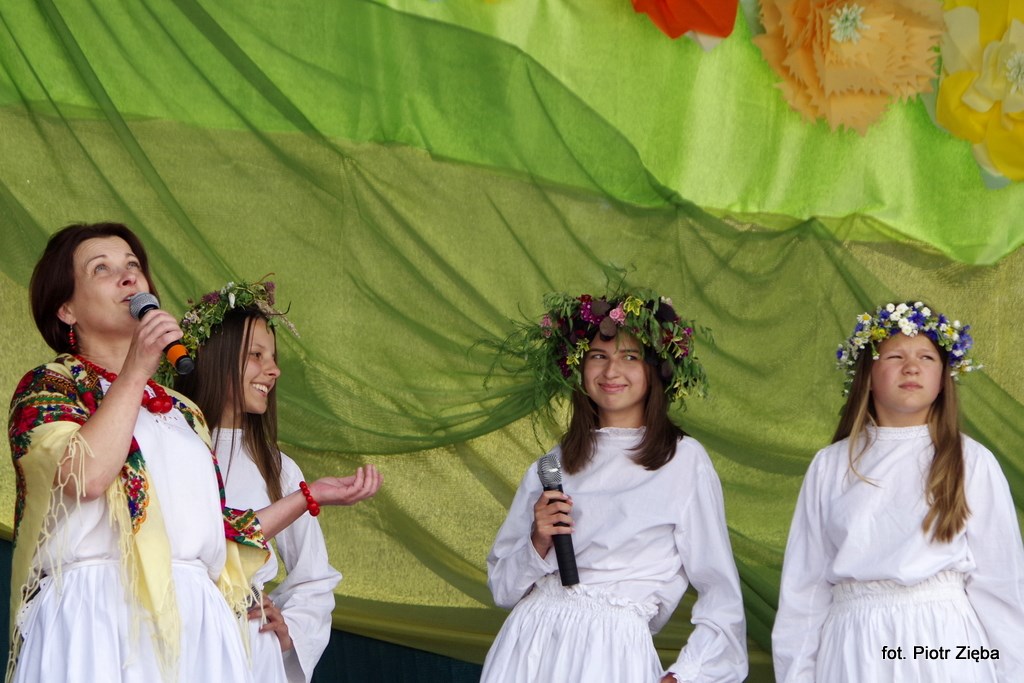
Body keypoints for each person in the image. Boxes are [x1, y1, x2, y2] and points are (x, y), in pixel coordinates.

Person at [6, 223, 376, 683]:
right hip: (100, 616)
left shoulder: (183, 412)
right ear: (65, 309)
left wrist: (308, 496)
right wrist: (137, 368)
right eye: (102, 269)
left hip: (197, 623)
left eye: (133, 265)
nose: (129, 277)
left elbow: (216, 536)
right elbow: (86, 477)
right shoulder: (50, 387)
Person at [481, 290, 748, 683]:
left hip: (611, 653)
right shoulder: (553, 463)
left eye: (630, 357)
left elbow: (721, 593)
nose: (611, 372)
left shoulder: (683, 461)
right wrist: (537, 541)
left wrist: (688, 675)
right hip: (529, 647)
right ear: (579, 366)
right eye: (598, 356)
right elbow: (503, 590)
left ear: (655, 369)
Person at [772, 301, 1024, 682]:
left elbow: (1002, 587)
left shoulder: (970, 461)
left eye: (926, 357)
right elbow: (803, 590)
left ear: (944, 378)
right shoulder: (831, 465)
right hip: (853, 648)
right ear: (868, 375)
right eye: (894, 356)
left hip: (944, 646)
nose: (911, 367)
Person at [173, 280, 380, 682]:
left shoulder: (279, 468)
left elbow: (314, 577)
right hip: (178, 639)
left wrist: (289, 630)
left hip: (250, 652)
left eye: (273, 357)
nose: (274, 370)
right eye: (256, 355)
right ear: (214, 358)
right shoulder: (169, 445)